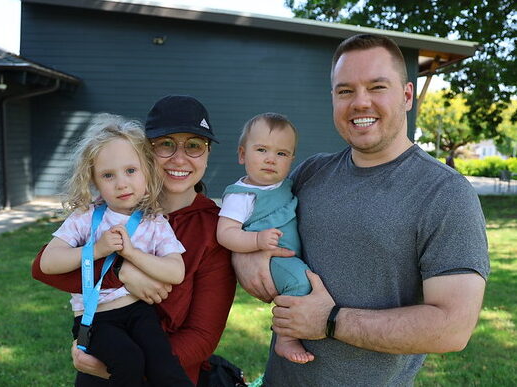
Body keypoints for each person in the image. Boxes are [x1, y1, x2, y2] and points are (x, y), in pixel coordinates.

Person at [232, 34, 489, 386]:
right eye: (345, 90)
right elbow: (246, 218)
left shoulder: (444, 193)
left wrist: (330, 320)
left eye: (377, 86)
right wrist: (244, 256)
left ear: (407, 95)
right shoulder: (310, 173)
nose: (360, 102)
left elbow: (452, 327)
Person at [32, 95, 236, 386]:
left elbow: (203, 336)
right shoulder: (107, 209)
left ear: (207, 154)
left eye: (194, 145)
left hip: (163, 372)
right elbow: (42, 270)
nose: (180, 158)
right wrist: (121, 273)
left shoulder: (216, 228)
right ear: (145, 151)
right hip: (106, 352)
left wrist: (130, 367)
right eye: (166, 143)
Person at [217, 113, 313, 364]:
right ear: (242, 155)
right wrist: (257, 241)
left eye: (281, 154)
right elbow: (225, 233)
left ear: (291, 160)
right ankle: (285, 337)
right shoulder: (242, 196)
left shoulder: (286, 185)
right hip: (270, 257)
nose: (271, 159)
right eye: (261, 150)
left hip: (286, 252)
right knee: (300, 284)